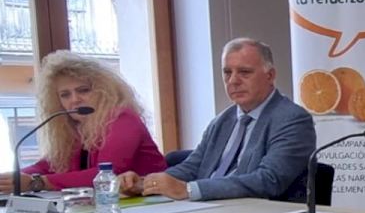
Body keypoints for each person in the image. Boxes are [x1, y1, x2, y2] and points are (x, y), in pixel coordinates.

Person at [119, 38, 316, 201]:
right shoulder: (223, 119)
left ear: (270, 75)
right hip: (207, 210)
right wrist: (145, 183)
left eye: (244, 72)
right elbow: (193, 167)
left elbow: (268, 180)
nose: (233, 81)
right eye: (227, 72)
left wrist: (189, 190)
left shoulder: (292, 119)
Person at [0, 51, 165, 193]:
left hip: (151, 204)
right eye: (65, 95)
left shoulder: (123, 118)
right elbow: (47, 166)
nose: (75, 100)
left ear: (104, 91)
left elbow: (107, 173)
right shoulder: (74, 126)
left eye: (83, 90)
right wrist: (12, 179)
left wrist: (38, 183)